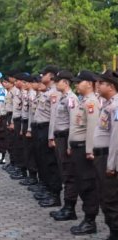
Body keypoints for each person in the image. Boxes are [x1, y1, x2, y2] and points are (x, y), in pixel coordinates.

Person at [68, 70, 100, 235]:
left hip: (84, 150)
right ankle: (87, 219)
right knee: (81, 183)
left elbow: (92, 128)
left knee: (88, 185)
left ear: (88, 83)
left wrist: (89, 150)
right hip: (77, 148)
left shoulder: (91, 102)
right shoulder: (83, 101)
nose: (76, 84)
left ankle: (90, 221)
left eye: (79, 82)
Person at [49, 70, 79, 221]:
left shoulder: (71, 99)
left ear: (66, 83)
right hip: (60, 137)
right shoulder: (63, 98)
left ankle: (70, 208)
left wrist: (69, 144)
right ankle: (66, 206)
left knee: (69, 174)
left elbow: (74, 123)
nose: (56, 83)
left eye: (58, 80)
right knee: (64, 172)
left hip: (66, 137)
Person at [33, 65, 62, 208]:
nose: (41, 76)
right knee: (43, 161)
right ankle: (48, 189)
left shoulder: (55, 93)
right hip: (40, 129)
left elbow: (54, 117)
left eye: (43, 74)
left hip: (47, 129)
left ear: (50, 76)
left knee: (50, 163)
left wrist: (51, 137)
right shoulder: (48, 92)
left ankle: (55, 194)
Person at [94, 69, 118, 240]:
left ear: (110, 86)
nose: (98, 85)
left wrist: (111, 165)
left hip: (109, 158)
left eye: (101, 83)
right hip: (101, 156)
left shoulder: (116, 106)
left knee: (110, 199)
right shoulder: (107, 104)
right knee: (105, 196)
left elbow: (116, 138)